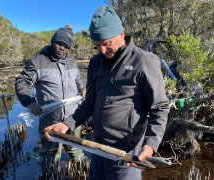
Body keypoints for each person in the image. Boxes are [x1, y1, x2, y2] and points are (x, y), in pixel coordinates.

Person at [44, 6, 170, 180]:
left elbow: (160, 107)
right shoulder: (96, 62)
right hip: (97, 144)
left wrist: (150, 145)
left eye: (106, 43)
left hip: (127, 149)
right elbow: (90, 102)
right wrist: (66, 125)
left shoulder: (144, 61)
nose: (102, 50)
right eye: (97, 45)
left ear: (121, 35)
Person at [15, 25, 86, 175]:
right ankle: (49, 175)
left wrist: (83, 88)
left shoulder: (72, 62)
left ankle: (81, 175)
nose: (62, 48)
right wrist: (30, 102)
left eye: (66, 45)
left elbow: (79, 80)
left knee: (76, 152)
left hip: (73, 118)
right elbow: (22, 82)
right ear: (52, 41)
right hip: (49, 120)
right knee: (50, 157)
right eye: (59, 43)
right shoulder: (37, 61)